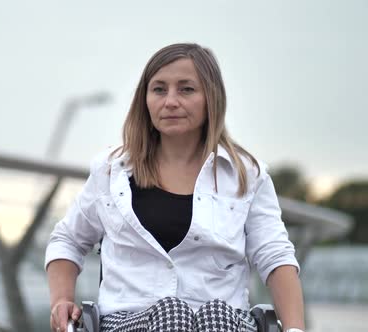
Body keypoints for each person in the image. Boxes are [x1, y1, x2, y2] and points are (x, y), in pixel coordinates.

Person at [45, 43, 305, 332]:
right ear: (144, 100)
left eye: (186, 89)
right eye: (159, 90)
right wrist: (61, 301)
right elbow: (67, 239)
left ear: (211, 98)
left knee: (216, 314)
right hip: (129, 319)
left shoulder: (247, 175)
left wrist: (294, 329)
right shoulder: (111, 172)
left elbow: (275, 255)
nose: (170, 101)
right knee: (173, 312)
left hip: (223, 321)